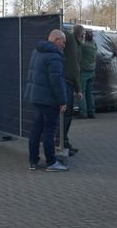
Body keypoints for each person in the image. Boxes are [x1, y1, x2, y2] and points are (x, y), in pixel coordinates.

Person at [24, 29, 69, 172]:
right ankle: (51, 162)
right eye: (63, 41)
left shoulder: (36, 51)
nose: (64, 45)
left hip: (36, 97)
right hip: (49, 100)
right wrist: (63, 101)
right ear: (56, 40)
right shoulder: (54, 56)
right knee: (49, 131)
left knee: (36, 130)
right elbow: (57, 81)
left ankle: (33, 161)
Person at [62, 25, 84, 154]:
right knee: (65, 115)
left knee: (68, 115)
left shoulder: (77, 45)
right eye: (82, 35)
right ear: (78, 34)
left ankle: (64, 141)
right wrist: (48, 17)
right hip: (66, 83)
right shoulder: (70, 39)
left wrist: (78, 88)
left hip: (71, 83)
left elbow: (76, 69)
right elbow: (58, 29)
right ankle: (62, 142)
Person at [79, 30, 98, 119]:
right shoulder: (94, 45)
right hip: (91, 72)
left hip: (84, 72)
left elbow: (77, 44)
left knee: (81, 92)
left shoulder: (84, 46)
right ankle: (91, 112)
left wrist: (80, 37)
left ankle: (83, 113)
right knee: (89, 93)